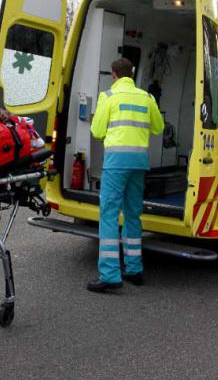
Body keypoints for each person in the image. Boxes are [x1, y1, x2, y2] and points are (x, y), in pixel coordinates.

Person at [87, 58, 164, 292]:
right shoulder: (147, 98)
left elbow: (97, 131)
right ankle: (134, 269)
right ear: (132, 73)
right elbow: (158, 128)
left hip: (116, 164)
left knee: (109, 216)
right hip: (139, 164)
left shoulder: (108, 97)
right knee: (133, 215)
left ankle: (110, 275)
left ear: (114, 75)